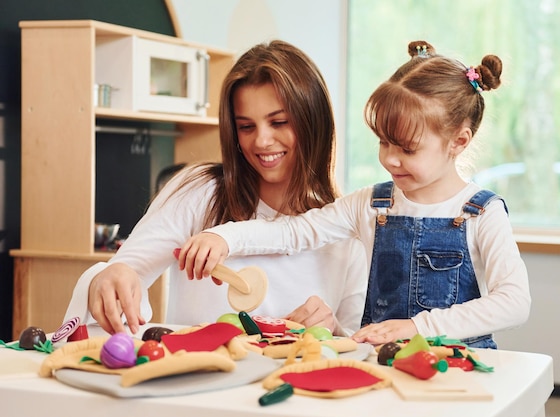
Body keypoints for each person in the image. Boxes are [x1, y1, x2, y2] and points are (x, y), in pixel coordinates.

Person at [178, 40, 531, 349]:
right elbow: (291, 232)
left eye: (407, 148)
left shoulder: (482, 213)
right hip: (383, 364)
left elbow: (514, 302)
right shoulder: (368, 205)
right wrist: (223, 236)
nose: (390, 159)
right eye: (383, 142)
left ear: (459, 141)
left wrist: (417, 328)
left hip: (461, 366)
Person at [63, 40, 368, 337]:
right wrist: (109, 278)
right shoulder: (199, 191)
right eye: (246, 127)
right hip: (197, 383)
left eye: (279, 122)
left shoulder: (344, 231)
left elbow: (358, 344)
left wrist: (332, 328)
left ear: (314, 122)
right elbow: (127, 270)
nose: (261, 141)